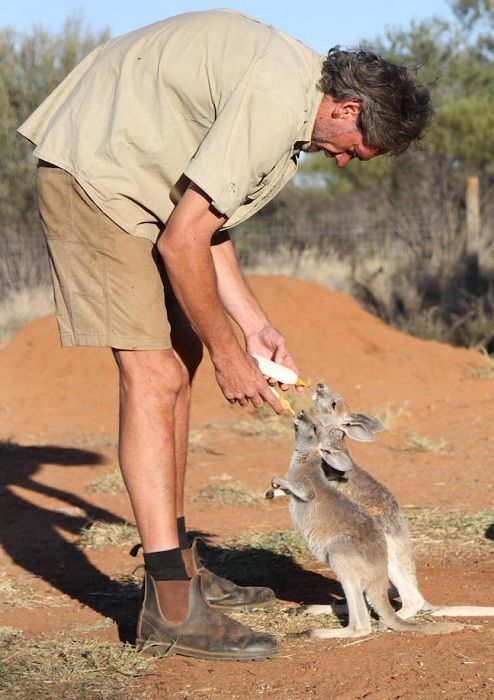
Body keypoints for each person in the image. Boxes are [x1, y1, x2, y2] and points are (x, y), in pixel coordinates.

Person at [18, 9, 432, 661]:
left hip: (139, 181)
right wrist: (229, 354)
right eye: (354, 149)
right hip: (96, 175)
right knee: (154, 373)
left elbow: (204, 225)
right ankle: (171, 606)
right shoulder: (275, 103)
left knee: (173, 364)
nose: (346, 163)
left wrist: (253, 323)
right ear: (348, 108)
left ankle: (177, 563)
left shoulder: (295, 97)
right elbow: (183, 241)